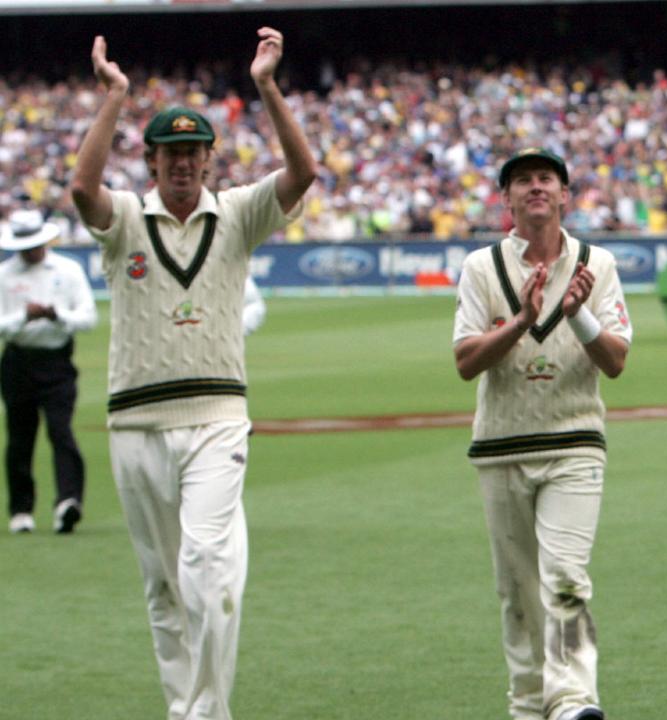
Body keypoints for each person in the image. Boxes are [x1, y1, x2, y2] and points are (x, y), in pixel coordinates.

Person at [69, 29, 316, 720]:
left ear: (210, 158)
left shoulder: (236, 213)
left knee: (208, 570)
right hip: (136, 422)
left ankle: (208, 711)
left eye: (193, 152)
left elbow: (303, 174)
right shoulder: (124, 219)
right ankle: (187, 708)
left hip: (216, 419)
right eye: (170, 153)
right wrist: (115, 97)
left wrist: (266, 85)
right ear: (151, 162)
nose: (183, 164)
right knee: (163, 585)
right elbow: (82, 190)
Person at [453, 147, 631, 720]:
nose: (535, 188)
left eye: (546, 179)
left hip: (575, 442)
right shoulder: (482, 268)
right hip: (501, 446)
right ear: (505, 198)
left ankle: (574, 699)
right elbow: (465, 361)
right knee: (518, 593)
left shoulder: (596, 264)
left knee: (565, 578)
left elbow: (616, 361)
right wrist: (523, 322)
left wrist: (578, 314)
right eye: (523, 180)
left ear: (564, 194)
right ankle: (529, 704)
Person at [0, 209, 97, 534]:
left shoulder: (68, 269)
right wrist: (22, 318)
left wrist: (58, 315)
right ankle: (21, 510)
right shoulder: (4, 274)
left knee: (61, 431)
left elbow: (88, 317)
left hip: (57, 362)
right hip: (18, 361)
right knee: (20, 436)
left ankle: (68, 502)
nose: (31, 251)